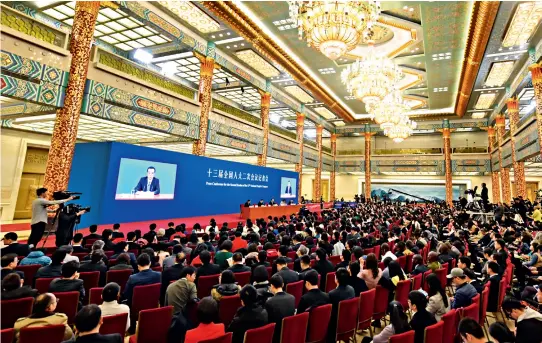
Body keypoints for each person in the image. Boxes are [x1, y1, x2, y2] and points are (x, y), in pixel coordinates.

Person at [265, 274, 295, 342]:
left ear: (271, 286)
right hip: (289, 333)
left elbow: (269, 323)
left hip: (276, 336)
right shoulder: (292, 298)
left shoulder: (269, 302)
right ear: (283, 284)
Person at [328, 268, 355, 343]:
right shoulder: (351, 289)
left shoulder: (332, 294)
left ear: (337, 279)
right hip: (350, 321)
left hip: (337, 325)